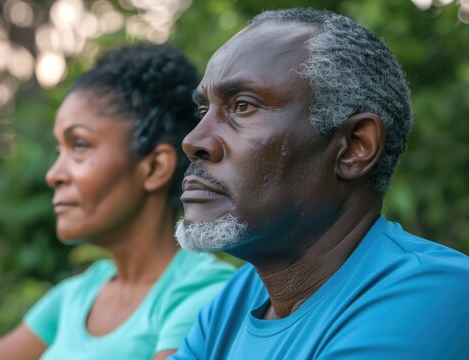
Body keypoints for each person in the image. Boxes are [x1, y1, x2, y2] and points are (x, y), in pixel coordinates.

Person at [171, 8, 469, 359]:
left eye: (242, 106)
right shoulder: (236, 300)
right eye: (203, 111)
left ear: (355, 147)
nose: (194, 141)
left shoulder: (435, 295)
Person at [0, 43, 234, 360]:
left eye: (79, 144)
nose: (54, 174)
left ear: (154, 167)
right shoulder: (75, 297)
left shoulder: (203, 294)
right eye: (58, 151)